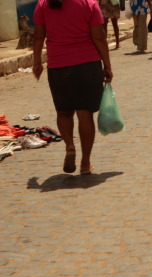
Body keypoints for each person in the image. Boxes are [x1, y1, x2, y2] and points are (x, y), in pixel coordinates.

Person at [32, 0, 113, 175]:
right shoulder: (89, 4)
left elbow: (38, 36)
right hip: (87, 65)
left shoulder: (43, 4)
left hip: (58, 66)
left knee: (63, 112)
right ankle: (85, 163)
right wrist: (107, 65)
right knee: (85, 114)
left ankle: (69, 146)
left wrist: (36, 62)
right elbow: (99, 37)